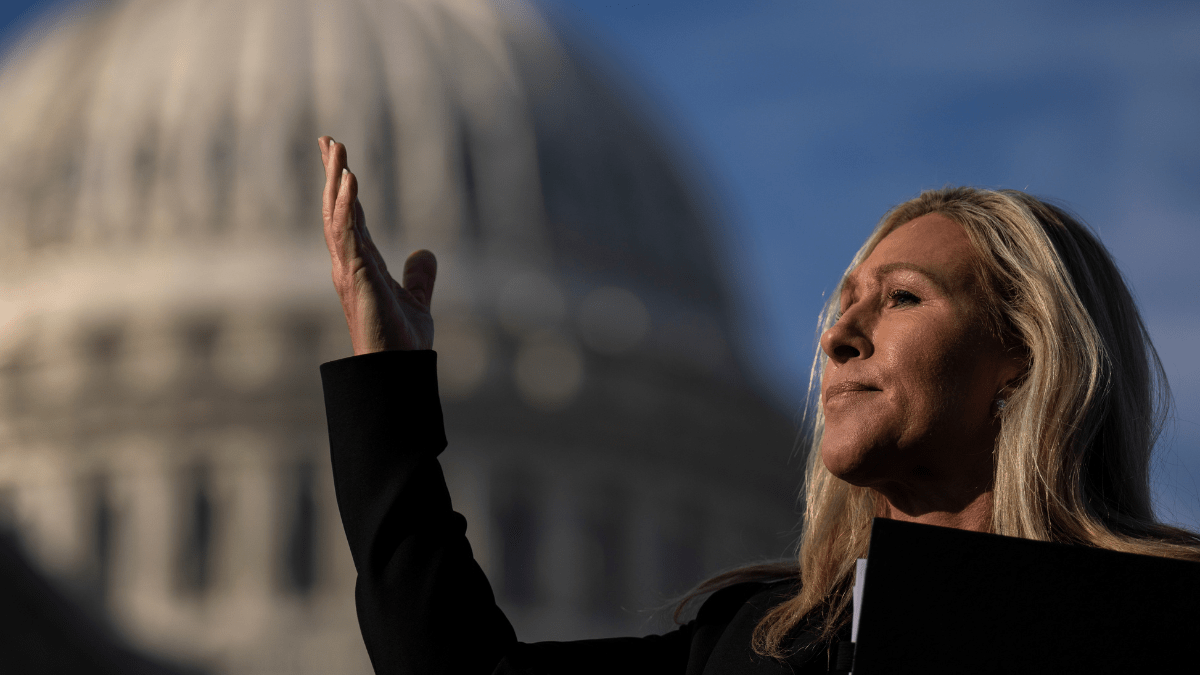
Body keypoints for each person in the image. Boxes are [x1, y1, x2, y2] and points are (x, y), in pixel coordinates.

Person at [316, 136, 1200, 674]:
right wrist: (388, 385)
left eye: (901, 298)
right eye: (840, 304)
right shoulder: (757, 647)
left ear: (1024, 353)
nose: (839, 336)